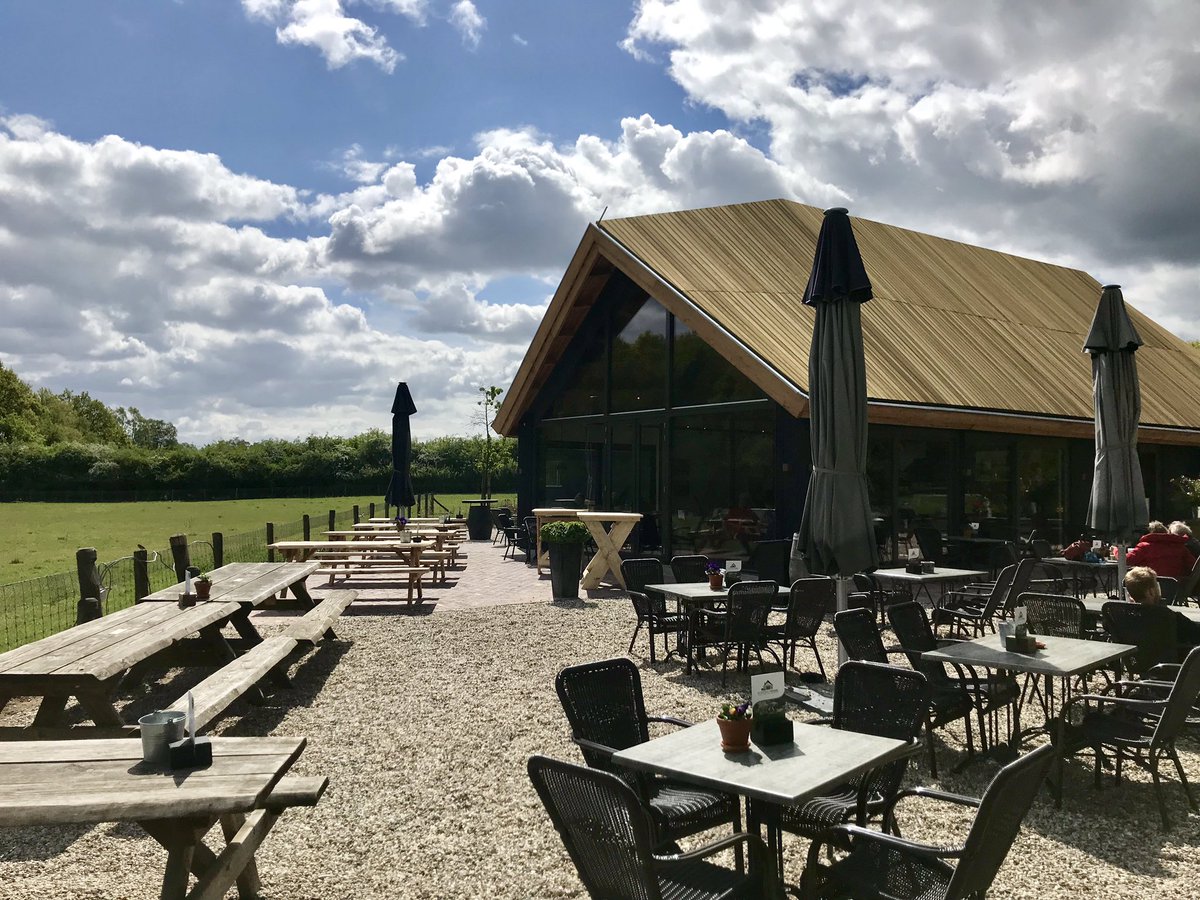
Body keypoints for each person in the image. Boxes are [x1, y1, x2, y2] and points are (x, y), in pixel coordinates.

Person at [1124, 566, 1200, 650]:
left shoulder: (1122, 619)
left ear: (1129, 595)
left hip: (1136, 662)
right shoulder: (1173, 618)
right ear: (1151, 592)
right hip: (1173, 662)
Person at [1125, 520, 1197, 579]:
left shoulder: (1145, 546)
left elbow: (1127, 560)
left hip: (1150, 587)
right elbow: (1194, 565)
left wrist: (1117, 550)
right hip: (1175, 588)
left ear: (1149, 533)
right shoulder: (1180, 547)